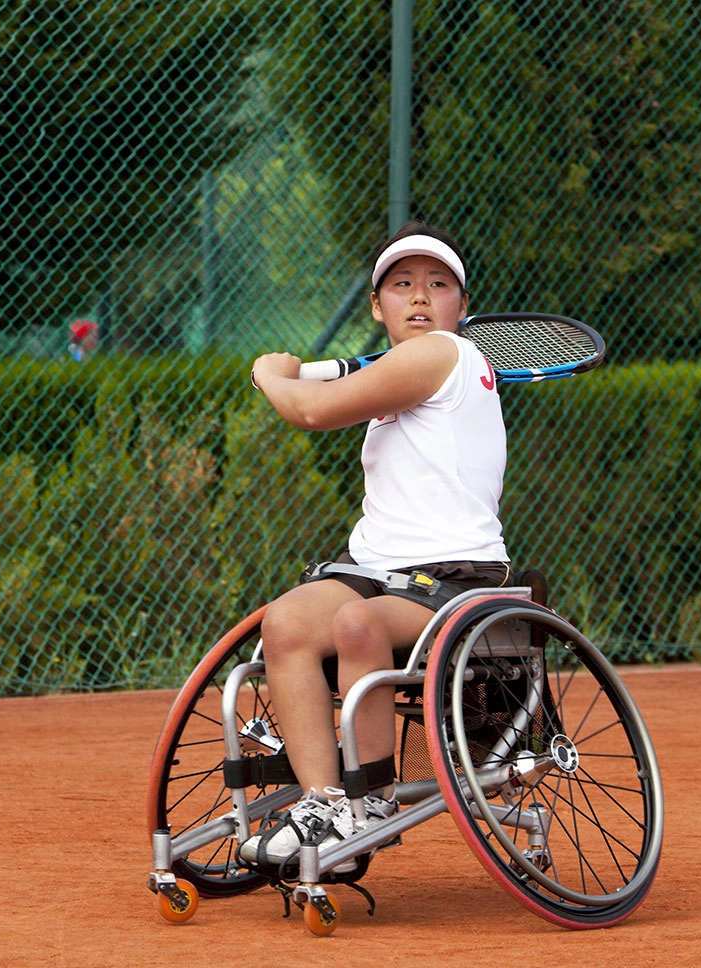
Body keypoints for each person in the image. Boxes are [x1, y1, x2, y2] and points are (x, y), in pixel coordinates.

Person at [242, 221, 511, 871]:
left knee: (357, 622)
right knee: (284, 623)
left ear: (461, 308)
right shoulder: (402, 373)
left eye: (438, 284)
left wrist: (269, 374)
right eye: (402, 284)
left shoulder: (441, 355)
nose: (420, 297)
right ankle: (325, 805)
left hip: (457, 579)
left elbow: (310, 410)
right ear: (377, 306)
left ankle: (371, 806)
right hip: (376, 570)